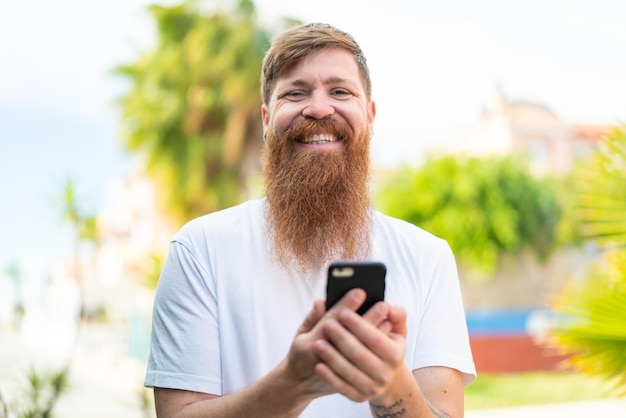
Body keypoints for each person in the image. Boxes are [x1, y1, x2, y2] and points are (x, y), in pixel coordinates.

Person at [144, 22, 476, 418]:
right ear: (267, 119)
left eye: (340, 91)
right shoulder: (199, 249)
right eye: (296, 93)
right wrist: (294, 382)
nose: (319, 108)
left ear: (370, 116)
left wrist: (389, 384)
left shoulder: (427, 256)